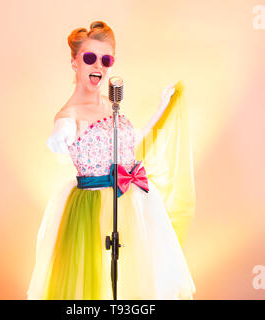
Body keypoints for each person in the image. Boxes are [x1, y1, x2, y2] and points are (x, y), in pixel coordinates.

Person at [27, 20, 196, 300]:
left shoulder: (110, 104)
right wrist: (63, 132)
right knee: (95, 284)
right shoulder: (69, 115)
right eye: (90, 58)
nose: (99, 66)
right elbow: (62, 136)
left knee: (133, 283)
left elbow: (131, 145)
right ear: (75, 62)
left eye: (106, 60)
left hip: (131, 202)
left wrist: (161, 109)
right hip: (93, 208)